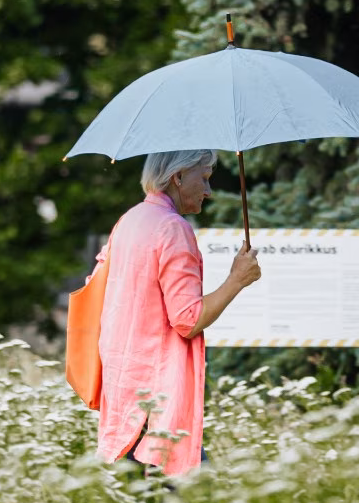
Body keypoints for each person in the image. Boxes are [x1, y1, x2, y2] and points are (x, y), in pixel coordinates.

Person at [91, 148, 260, 482]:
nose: (209, 190)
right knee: (194, 501)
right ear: (178, 177)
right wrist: (236, 280)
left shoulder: (130, 221)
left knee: (147, 500)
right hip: (158, 393)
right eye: (205, 178)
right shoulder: (172, 228)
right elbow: (188, 319)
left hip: (126, 385)